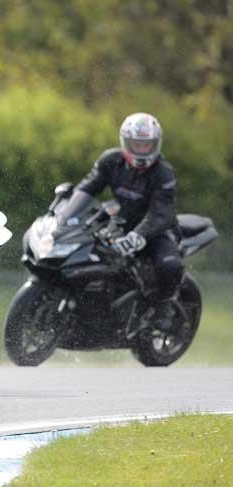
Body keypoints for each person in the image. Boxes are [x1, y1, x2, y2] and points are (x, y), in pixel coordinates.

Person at [62, 112, 182, 329]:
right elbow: (87, 189)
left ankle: (164, 307)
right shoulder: (110, 160)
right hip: (122, 222)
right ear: (125, 142)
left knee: (170, 265)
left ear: (156, 144)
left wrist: (138, 237)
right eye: (136, 144)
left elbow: (161, 213)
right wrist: (65, 214)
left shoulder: (164, 173)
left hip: (157, 230)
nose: (142, 150)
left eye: (147, 145)